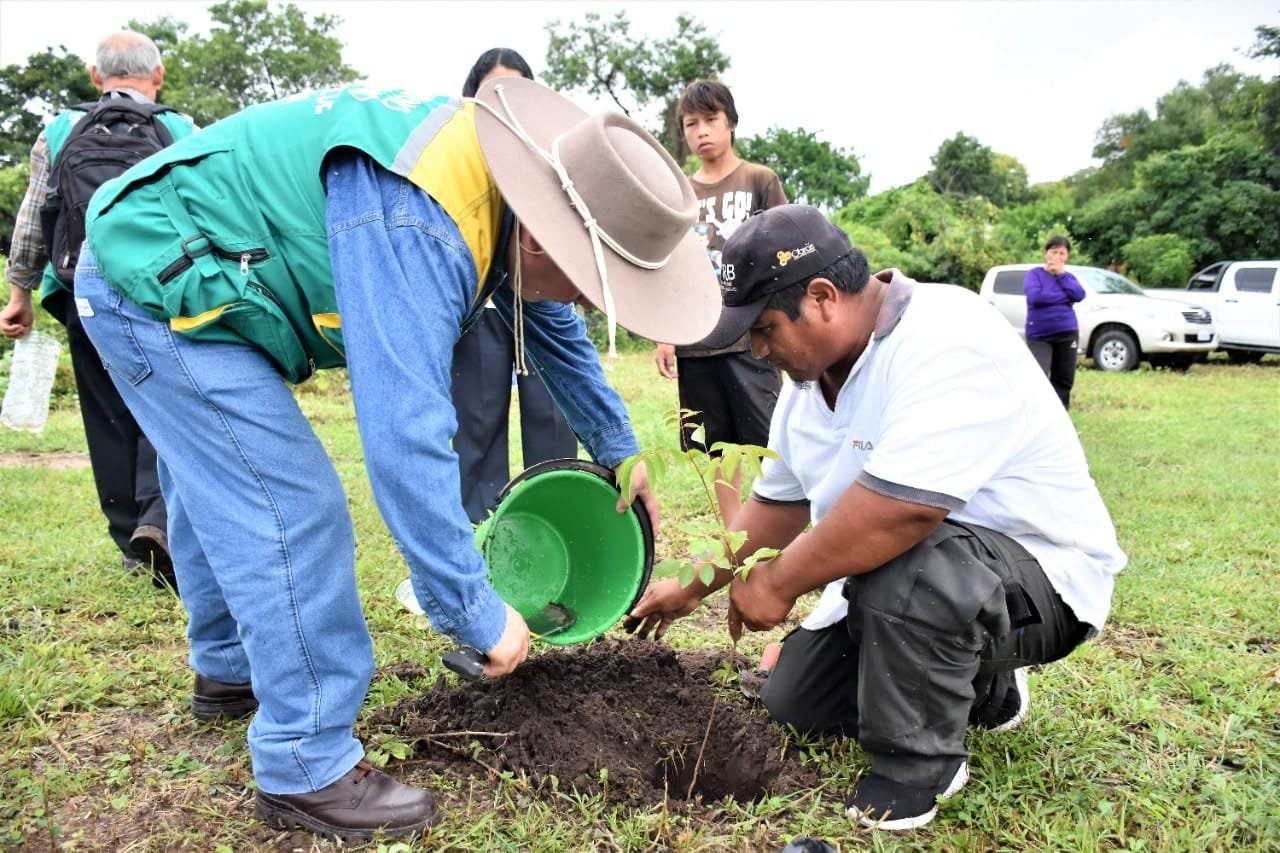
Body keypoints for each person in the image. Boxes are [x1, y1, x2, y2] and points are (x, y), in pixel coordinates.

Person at [74, 77, 720, 840]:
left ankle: (226, 666)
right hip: (152, 280)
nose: (584, 305)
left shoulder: (509, 191)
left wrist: (620, 449)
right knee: (290, 505)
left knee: (214, 476)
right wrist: (475, 610)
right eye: (590, 287)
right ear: (544, 239)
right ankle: (305, 761)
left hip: (190, 264)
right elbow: (404, 435)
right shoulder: (422, 220)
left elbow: (550, 327)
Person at [627, 205, 1126, 831]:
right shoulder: (808, 387)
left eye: (765, 329)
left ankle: (918, 768)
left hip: (1039, 579)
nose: (757, 349)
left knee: (910, 567)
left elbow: (902, 513)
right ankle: (989, 692)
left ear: (822, 297)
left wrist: (777, 583)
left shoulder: (948, 336)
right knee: (797, 699)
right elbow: (777, 507)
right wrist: (694, 584)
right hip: (923, 575)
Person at [0, 30, 195, 587]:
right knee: (164, 404)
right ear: (157, 75)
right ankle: (160, 519)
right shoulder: (180, 129)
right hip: (159, 290)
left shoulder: (61, 129)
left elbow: (33, 217)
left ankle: (131, 541)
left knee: (105, 414)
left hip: (79, 288)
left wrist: (19, 294)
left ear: (95, 75)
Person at [452, 48, 578, 524]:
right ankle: (483, 531)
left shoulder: (552, 152)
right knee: (478, 417)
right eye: (492, 92)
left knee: (553, 414)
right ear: (472, 99)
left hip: (541, 302)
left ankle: (554, 519)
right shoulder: (457, 156)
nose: (504, 101)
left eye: (516, 89)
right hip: (483, 304)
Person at [653, 79, 787, 524]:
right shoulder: (679, 192)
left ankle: (777, 528)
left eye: (711, 119)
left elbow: (783, 250)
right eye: (691, 124)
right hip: (696, 338)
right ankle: (733, 534)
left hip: (752, 336)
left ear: (730, 123)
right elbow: (667, 264)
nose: (702, 131)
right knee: (717, 445)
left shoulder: (759, 180)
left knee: (769, 440)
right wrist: (665, 334)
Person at [1023, 235, 1086, 409]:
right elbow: (1035, 297)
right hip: (1040, 335)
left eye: (1062, 253)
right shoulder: (1034, 274)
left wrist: (1061, 275)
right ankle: (1037, 414)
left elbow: (1079, 295)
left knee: (1064, 378)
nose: (1057, 257)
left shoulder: (1068, 277)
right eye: (1054, 252)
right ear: (1046, 253)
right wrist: (1064, 297)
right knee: (1039, 377)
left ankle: (1061, 417)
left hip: (1067, 332)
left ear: (1067, 256)